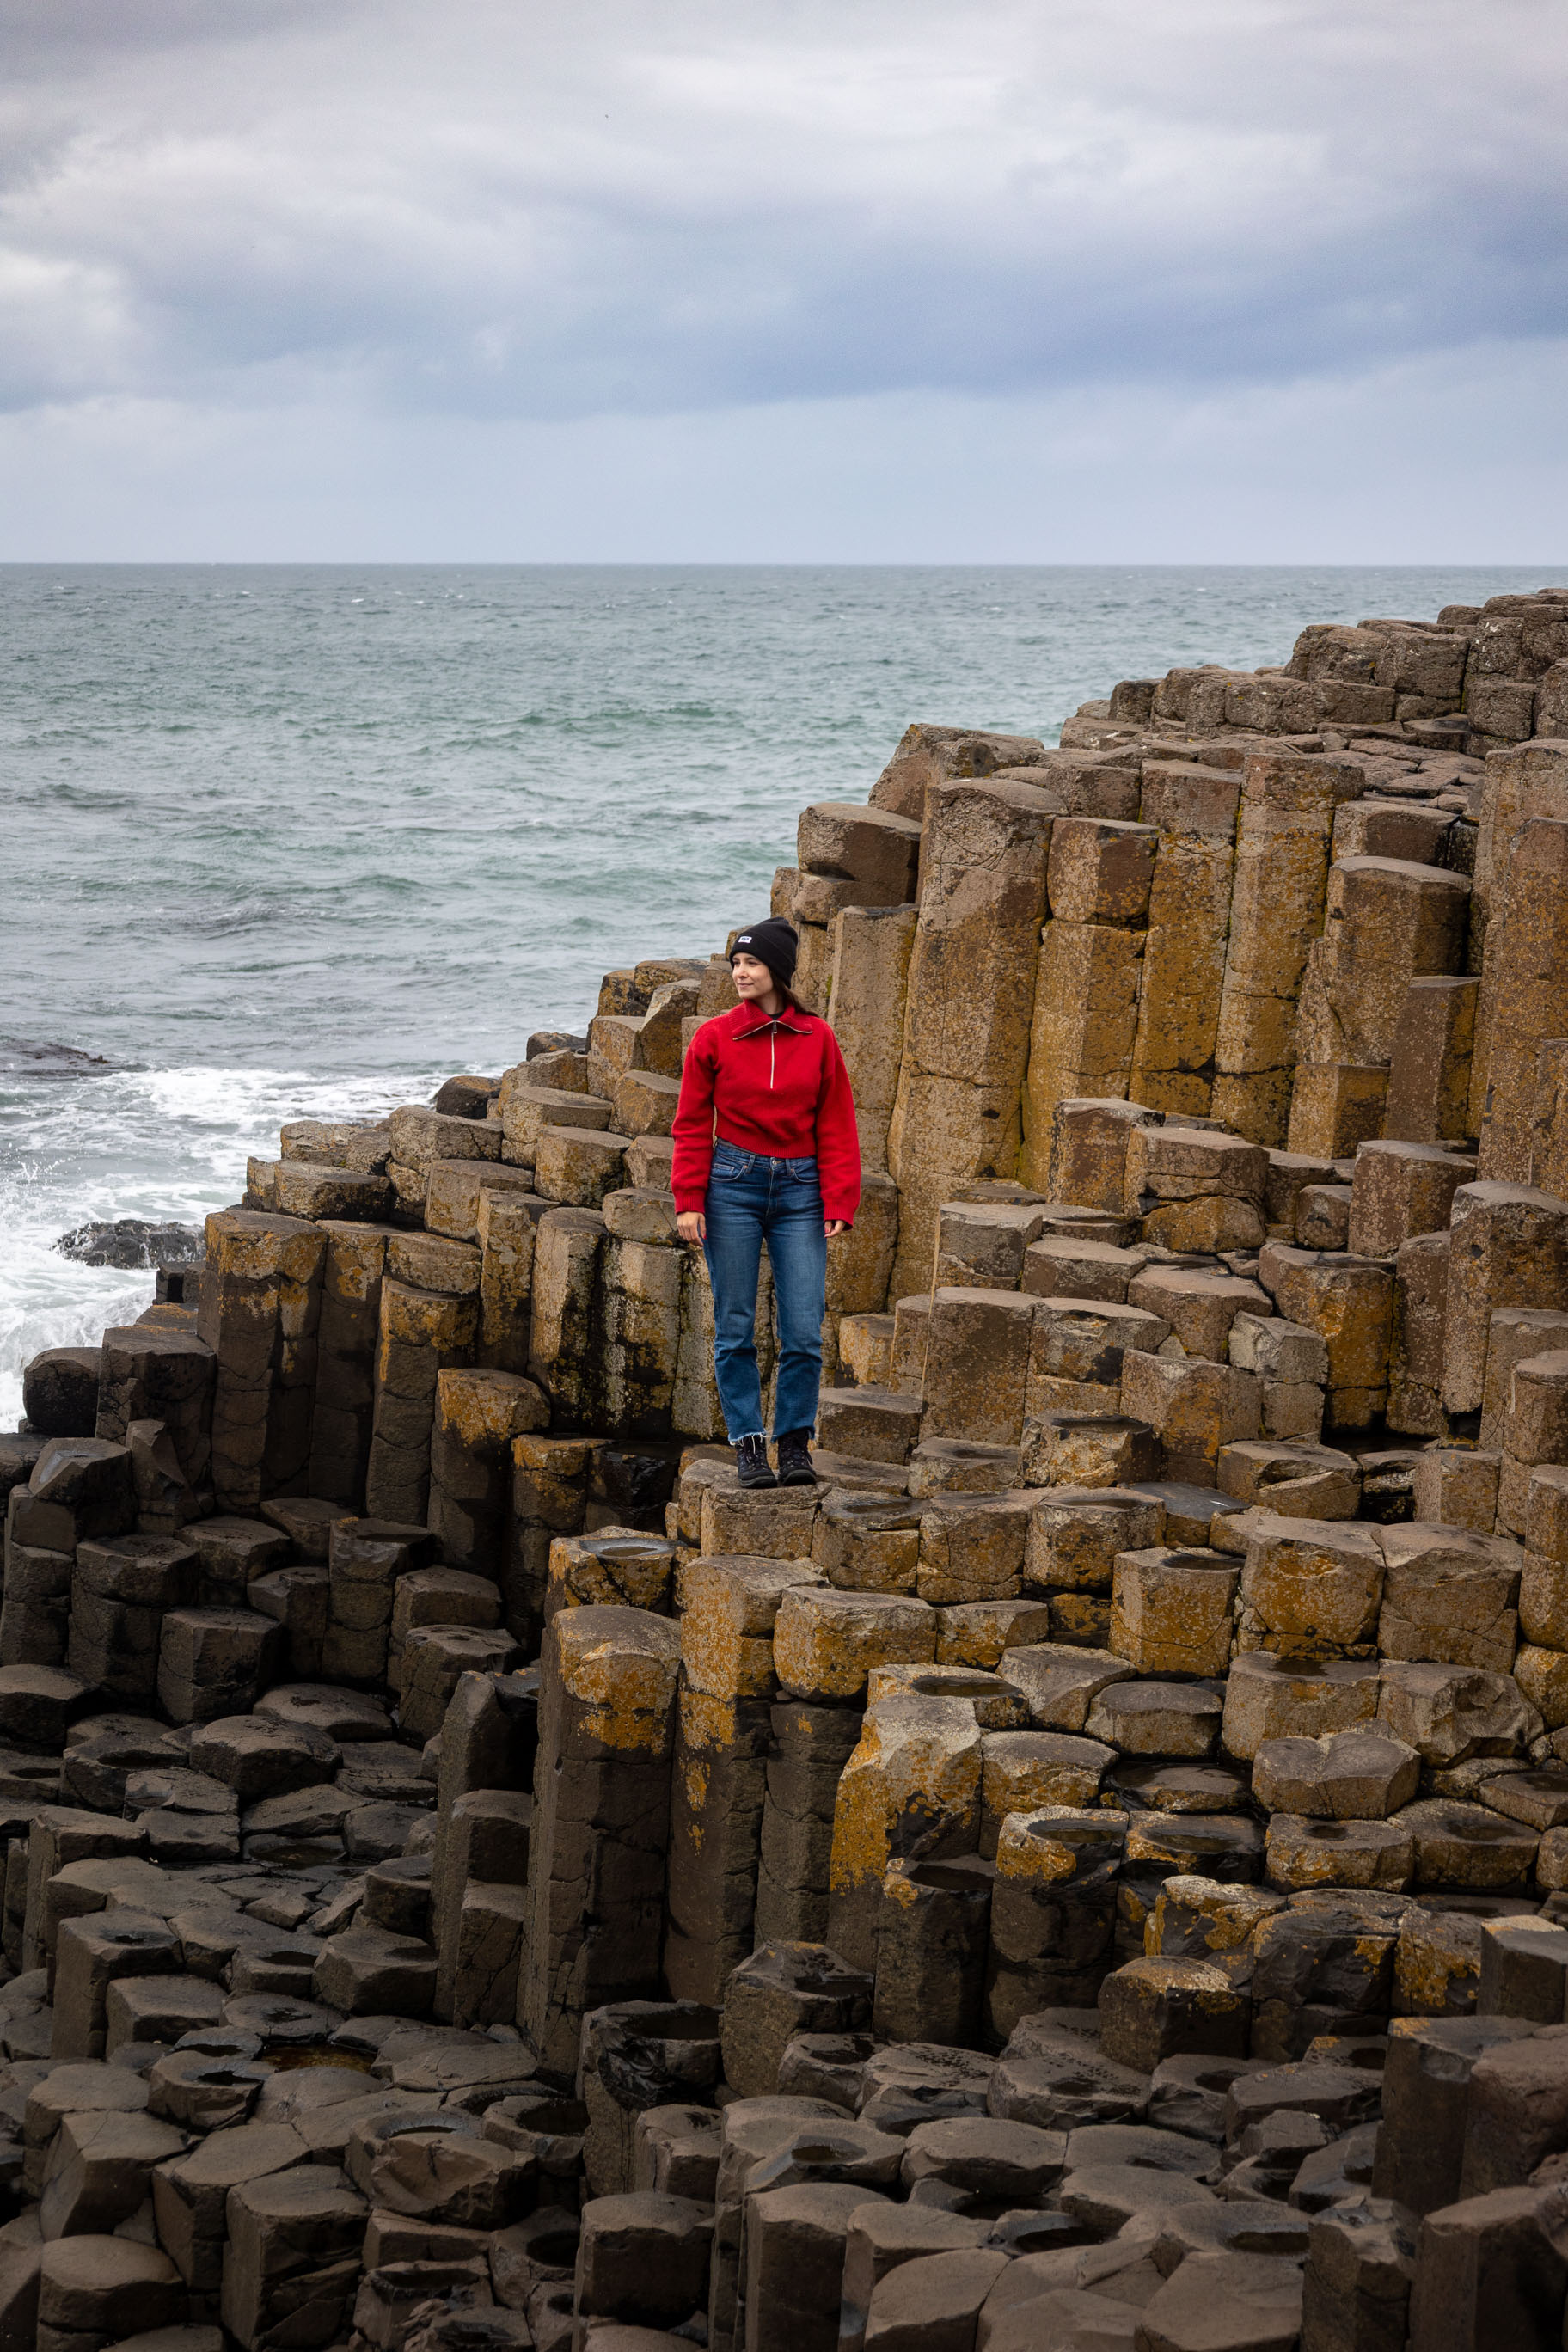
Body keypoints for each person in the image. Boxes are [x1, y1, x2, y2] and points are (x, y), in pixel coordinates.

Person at [671, 916, 861, 1489]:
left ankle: (795, 1444)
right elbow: (689, 1125)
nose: (740, 973)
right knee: (735, 1328)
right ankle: (749, 1445)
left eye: (751, 963)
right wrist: (688, 1199)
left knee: (803, 1330)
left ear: (777, 970)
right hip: (732, 1186)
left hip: (802, 1191)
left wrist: (839, 1197)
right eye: (736, 963)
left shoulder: (818, 1037)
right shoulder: (714, 1037)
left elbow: (837, 1123)